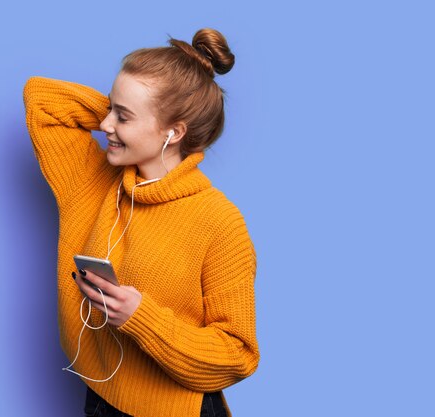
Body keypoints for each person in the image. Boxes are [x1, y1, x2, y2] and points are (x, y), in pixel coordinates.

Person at [22, 28, 259, 417]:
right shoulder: (95, 183)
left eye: (123, 116)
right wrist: (126, 115)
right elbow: (42, 99)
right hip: (100, 399)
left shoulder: (219, 222)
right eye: (110, 109)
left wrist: (141, 318)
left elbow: (238, 354)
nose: (107, 124)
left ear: (174, 132)